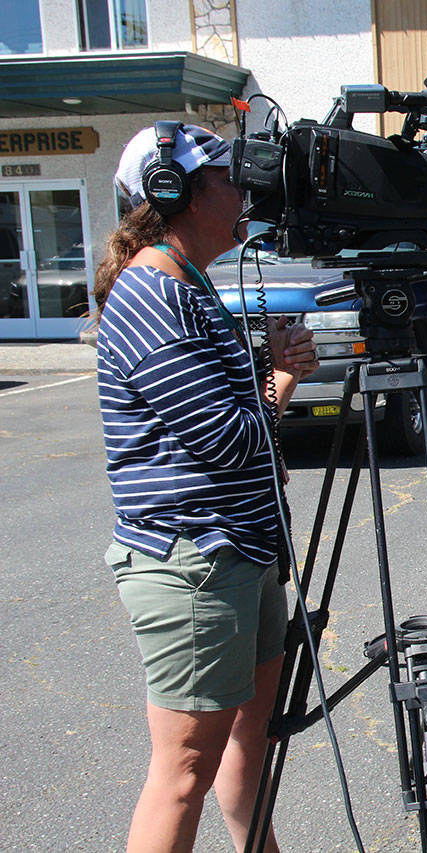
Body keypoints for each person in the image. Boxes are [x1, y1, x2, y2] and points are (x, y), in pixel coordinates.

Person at [96, 123, 317, 852]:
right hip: (193, 562)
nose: (245, 189)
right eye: (227, 175)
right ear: (175, 191)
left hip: (239, 552)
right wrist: (280, 383)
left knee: (246, 748)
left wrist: (267, 370)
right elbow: (222, 440)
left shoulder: (187, 283)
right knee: (186, 767)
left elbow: (217, 416)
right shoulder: (153, 291)